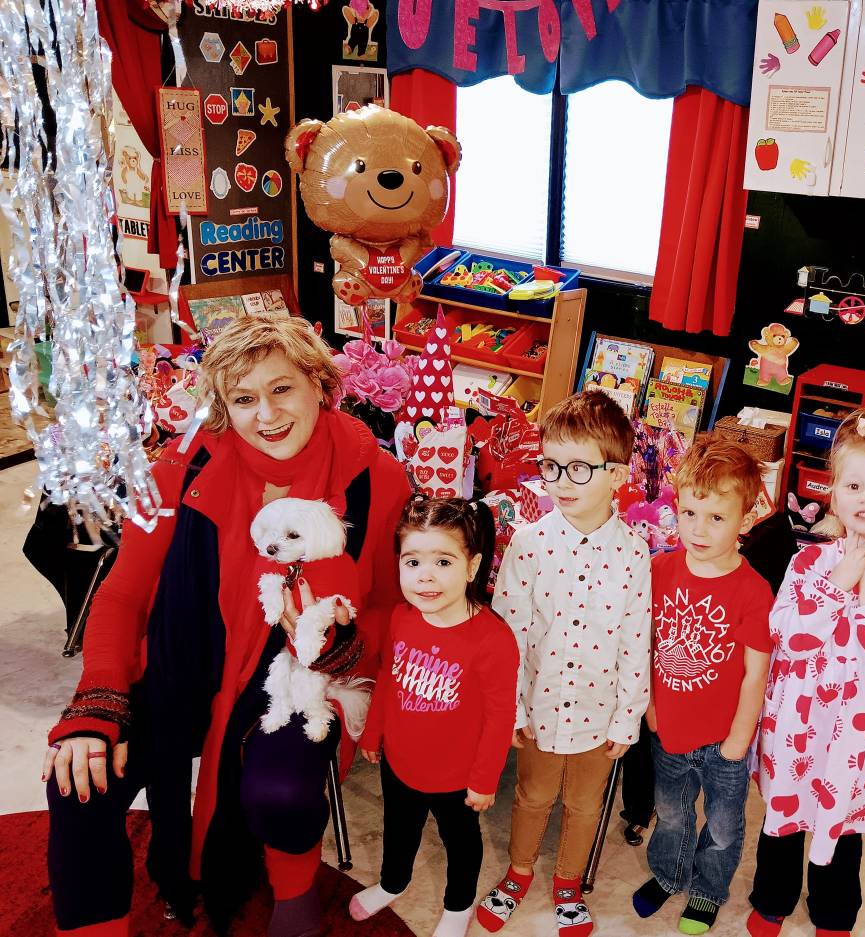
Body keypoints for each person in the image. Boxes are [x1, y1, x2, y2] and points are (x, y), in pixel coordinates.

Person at [42, 312, 410, 937]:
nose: (266, 415)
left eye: (282, 388)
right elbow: (123, 594)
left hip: (301, 675)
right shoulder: (179, 469)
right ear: (223, 406)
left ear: (320, 385)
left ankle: (294, 899)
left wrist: (344, 647)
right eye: (243, 399)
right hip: (180, 663)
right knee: (79, 781)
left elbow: (387, 606)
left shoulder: (375, 478)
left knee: (281, 792)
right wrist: (98, 701)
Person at [746, 408, 865, 937]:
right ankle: (772, 899)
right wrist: (837, 584)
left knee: (844, 827)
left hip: (864, 734)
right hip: (801, 725)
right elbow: (787, 636)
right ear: (833, 495)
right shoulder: (807, 564)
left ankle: (834, 911)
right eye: (854, 485)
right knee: (783, 818)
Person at [477, 390, 652, 937]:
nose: (560, 481)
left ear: (616, 475)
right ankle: (518, 871)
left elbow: (636, 640)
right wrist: (509, 709)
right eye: (551, 465)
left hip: (600, 713)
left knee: (584, 804)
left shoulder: (634, 552)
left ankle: (569, 884)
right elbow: (509, 633)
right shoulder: (529, 544)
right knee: (532, 796)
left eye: (578, 468)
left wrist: (628, 717)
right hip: (539, 704)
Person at [352, 495, 518, 937]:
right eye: (412, 562)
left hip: (457, 777)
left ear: (472, 566)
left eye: (443, 561)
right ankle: (393, 882)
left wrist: (484, 779)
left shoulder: (493, 639)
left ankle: (458, 906)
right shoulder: (401, 618)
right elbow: (388, 678)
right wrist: (372, 732)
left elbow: (500, 716)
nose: (425, 575)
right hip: (399, 763)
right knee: (398, 830)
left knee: (460, 843)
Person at [631, 435, 773, 935]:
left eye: (716, 517)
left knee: (723, 826)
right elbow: (644, 645)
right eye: (689, 513)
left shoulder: (754, 591)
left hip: (724, 742)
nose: (698, 529)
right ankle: (668, 875)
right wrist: (650, 707)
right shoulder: (659, 571)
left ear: (745, 519)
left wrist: (739, 738)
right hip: (669, 729)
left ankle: (708, 890)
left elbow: (756, 672)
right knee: (671, 815)